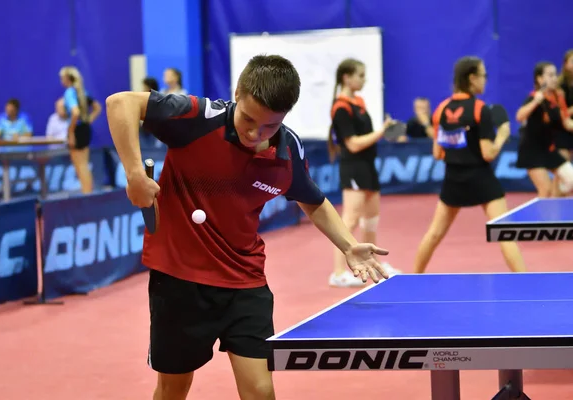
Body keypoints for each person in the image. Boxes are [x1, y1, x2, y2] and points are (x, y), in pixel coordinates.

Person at [106, 54, 390, 400]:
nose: (255, 133)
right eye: (249, 119)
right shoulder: (198, 117)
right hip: (179, 280)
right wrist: (135, 173)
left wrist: (348, 245)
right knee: (173, 389)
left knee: (260, 390)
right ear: (237, 93)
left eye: (269, 126)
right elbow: (121, 103)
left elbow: (313, 201)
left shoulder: (288, 150)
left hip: (245, 280)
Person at [413, 56, 526, 274]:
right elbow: (488, 153)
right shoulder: (480, 109)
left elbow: (437, 153)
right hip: (481, 179)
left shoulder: (442, 109)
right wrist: (502, 134)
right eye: (484, 75)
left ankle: (412, 277)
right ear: (472, 78)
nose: (485, 80)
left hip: (453, 179)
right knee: (505, 233)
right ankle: (524, 281)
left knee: (434, 234)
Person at [326, 58, 400, 288]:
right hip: (354, 167)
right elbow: (354, 144)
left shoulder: (359, 102)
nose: (364, 79)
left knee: (371, 219)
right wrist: (382, 132)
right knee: (350, 220)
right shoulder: (340, 108)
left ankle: (374, 263)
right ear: (347, 77)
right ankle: (338, 272)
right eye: (360, 75)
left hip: (368, 166)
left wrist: (383, 131)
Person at [515, 61, 573, 197]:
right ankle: (543, 217)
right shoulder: (534, 96)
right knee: (545, 190)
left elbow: (567, 123)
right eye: (550, 75)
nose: (554, 78)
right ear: (540, 79)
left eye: (555, 74)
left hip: (549, 150)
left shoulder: (558, 97)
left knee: (570, 179)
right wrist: (535, 101)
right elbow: (519, 116)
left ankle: (555, 209)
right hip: (531, 151)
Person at [59, 66, 102, 194]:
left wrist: (71, 132)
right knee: (84, 164)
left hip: (76, 129)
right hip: (85, 128)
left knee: (79, 165)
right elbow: (97, 108)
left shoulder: (69, 93)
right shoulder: (83, 92)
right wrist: (88, 120)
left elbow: (75, 112)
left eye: (62, 78)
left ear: (67, 79)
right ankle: (88, 192)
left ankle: (86, 193)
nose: (61, 81)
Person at [554, 50, 573, 196]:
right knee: (562, 173)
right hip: (562, 132)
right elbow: (561, 114)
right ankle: (555, 201)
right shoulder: (559, 86)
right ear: (565, 64)